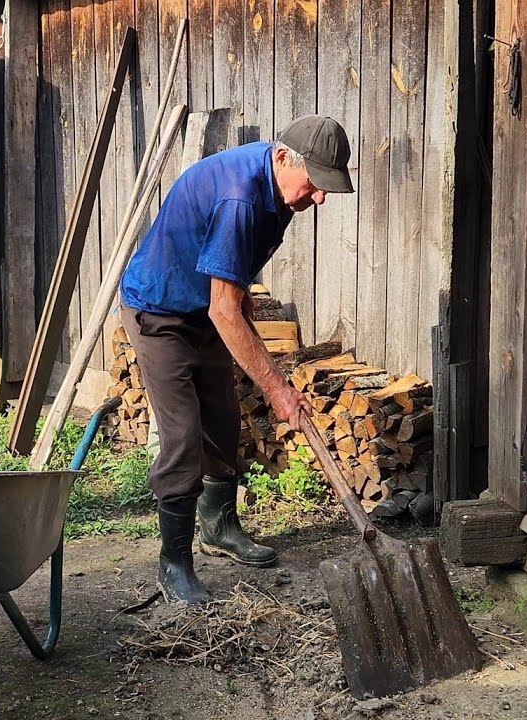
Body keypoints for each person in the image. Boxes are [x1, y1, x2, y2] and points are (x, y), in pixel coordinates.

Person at [119, 115, 356, 604]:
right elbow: (223, 307)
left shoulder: (280, 192)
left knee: (222, 424)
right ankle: (174, 565)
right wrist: (277, 389)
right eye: (315, 184)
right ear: (284, 157)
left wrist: (240, 284)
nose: (320, 198)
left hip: (203, 307)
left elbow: (231, 275)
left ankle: (219, 527)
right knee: (183, 435)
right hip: (159, 311)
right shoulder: (241, 197)